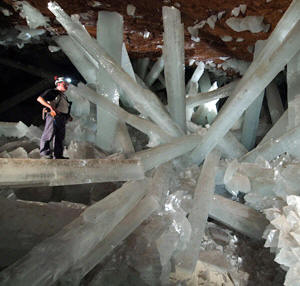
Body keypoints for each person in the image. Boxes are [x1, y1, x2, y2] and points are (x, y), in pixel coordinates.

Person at [37, 76, 72, 159]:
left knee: (60, 137)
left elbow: (63, 107)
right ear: (59, 84)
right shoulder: (53, 92)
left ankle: (58, 155)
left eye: (67, 85)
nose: (67, 86)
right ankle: (45, 153)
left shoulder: (63, 96)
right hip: (53, 116)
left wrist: (68, 116)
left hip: (62, 117)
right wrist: (50, 107)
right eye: (65, 84)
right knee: (48, 134)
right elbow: (39, 99)